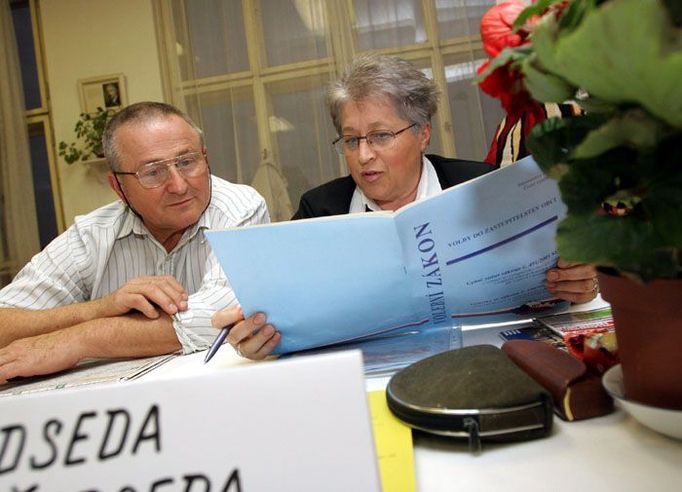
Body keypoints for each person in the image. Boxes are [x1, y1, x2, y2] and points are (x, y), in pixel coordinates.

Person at [214, 54, 598, 361]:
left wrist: (575, 282)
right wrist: (259, 334)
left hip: (488, 359)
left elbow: (549, 282)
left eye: (381, 136)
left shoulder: (483, 187)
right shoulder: (319, 208)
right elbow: (283, 311)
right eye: (350, 140)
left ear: (423, 133)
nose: (364, 155)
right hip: (368, 377)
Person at [0, 101, 278, 383]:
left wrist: (80, 339)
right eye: (153, 172)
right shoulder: (92, 235)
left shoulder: (239, 208)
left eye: (187, 162)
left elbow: (218, 316)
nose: (179, 185)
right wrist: (100, 308)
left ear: (205, 158)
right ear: (118, 186)